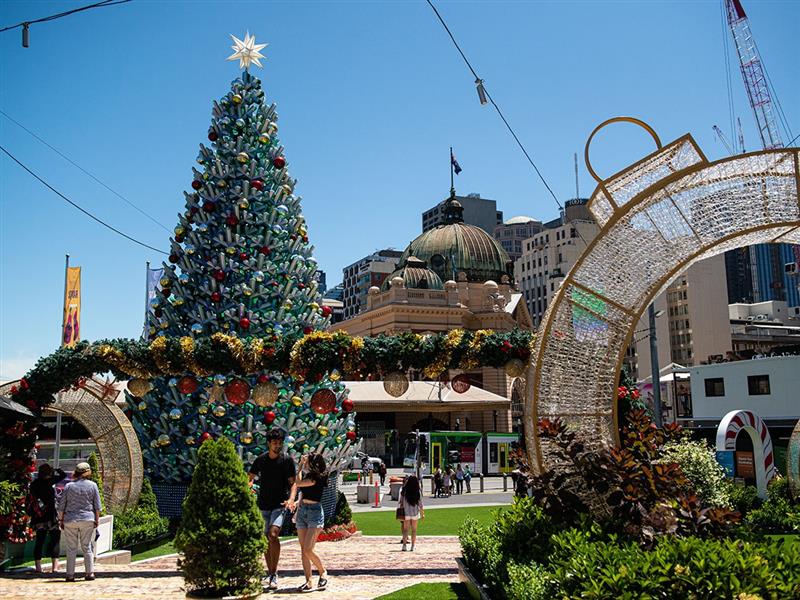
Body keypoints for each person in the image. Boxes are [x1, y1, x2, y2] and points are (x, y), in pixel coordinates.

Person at [248, 428, 296, 591]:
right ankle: (271, 572)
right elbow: (250, 477)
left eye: (280, 443)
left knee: (273, 534)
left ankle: (274, 573)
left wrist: (291, 499)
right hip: (262, 505)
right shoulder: (261, 460)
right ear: (268, 443)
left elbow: (293, 483)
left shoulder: (286, 460)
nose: (278, 445)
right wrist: (248, 487)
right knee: (266, 539)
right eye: (275, 443)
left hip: (279, 505)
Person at [286, 453, 328, 592]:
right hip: (303, 511)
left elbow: (297, 483)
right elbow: (304, 492)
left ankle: (322, 572)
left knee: (308, 549)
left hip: (314, 513)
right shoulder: (309, 476)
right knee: (303, 550)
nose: (305, 463)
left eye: (307, 461)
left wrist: (298, 468)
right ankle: (308, 581)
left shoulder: (316, 477)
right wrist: (295, 502)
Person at [57, 461, 101, 582]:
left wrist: (61, 520)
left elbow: (62, 506)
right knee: (87, 547)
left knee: (71, 548)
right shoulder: (93, 485)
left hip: (70, 519)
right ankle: (89, 573)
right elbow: (97, 506)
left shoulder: (69, 486)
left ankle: (70, 575)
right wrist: (96, 520)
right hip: (87, 519)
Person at [29, 464, 65, 573]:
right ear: (49, 473)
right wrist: (56, 469)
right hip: (51, 517)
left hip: (39, 517)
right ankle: (55, 567)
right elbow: (62, 475)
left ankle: (38, 567)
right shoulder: (49, 482)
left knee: (39, 541)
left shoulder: (34, 484)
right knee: (55, 541)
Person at [398, 475, 424, 551]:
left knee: (406, 530)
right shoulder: (417, 491)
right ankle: (412, 546)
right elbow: (420, 504)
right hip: (415, 512)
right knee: (414, 530)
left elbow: (401, 502)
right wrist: (422, 514)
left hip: (406, 512)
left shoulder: (405, 490)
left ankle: (404, 545)